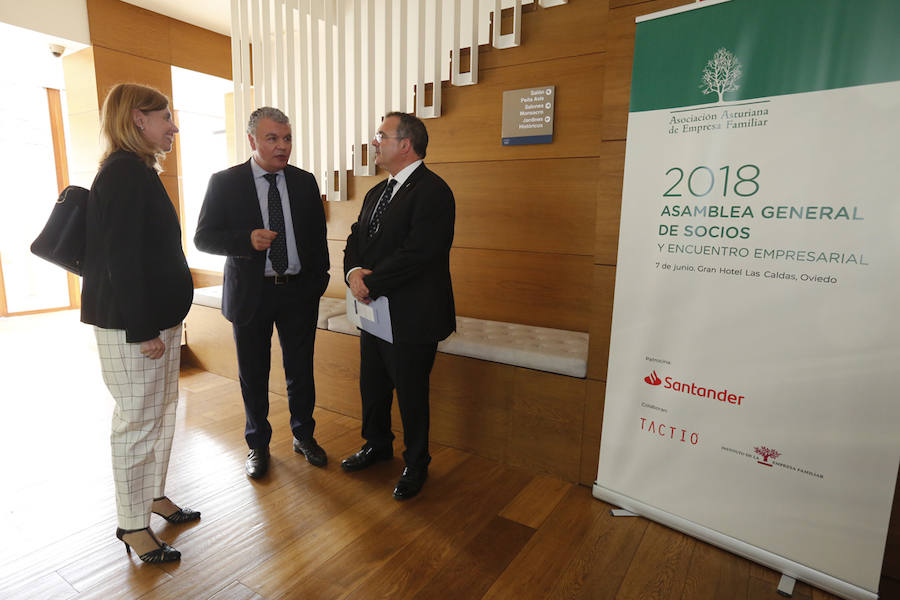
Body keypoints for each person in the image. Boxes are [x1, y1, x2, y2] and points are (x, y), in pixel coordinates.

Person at [81, 83, 199, 564]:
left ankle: (152, 496)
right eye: (165, 116)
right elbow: (121, 261)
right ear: (137, 119)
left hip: (155, 321)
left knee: (160, 414)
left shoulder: (137, 171)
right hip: (138, 328)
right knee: (136, 423)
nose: (173, 126)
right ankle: (132, 525)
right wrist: (143, 329)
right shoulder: (123, 174)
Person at [195, 107, 330, 479]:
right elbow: (203, 237)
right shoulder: (225, 182)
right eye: (272, 139)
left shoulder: (304, 182)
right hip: (251, 294)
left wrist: (317, 283)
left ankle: (304, 435)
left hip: (298, 293)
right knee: (253, 374)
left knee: (300, 371)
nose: (282, 146)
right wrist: (245, 241)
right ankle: (258, 445)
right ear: (253, 140)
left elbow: (317, 240)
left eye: (287, 138)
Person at [341, 112, 455, 500]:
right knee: (372, 384)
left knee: (410, 392)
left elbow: (419, 254)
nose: (374, 142)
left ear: (405, 144)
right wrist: (354, 272)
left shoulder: (433, 191)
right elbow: (356, 238)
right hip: (373, 311)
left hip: (413, 315)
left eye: (381, 136)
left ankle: (416, 462)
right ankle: (377, 444)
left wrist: (368, 282)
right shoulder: (377, 192)